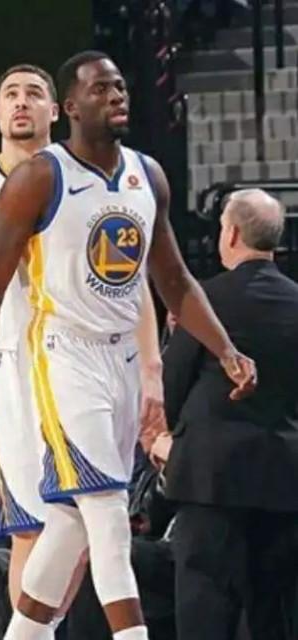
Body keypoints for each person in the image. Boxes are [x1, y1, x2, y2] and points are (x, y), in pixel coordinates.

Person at [0, 50, 256, 640]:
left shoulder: (148, 175)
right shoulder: (39, 178)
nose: (116, 96)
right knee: (107, 512)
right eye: (101, 89)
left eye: (120, 86)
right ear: (70, 106)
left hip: (120, 360)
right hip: (64, 356)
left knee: (70, 521)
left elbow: (174, 280)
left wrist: (225, 349)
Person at [0, 64, 165, 630]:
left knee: (79, 525)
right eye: (10, 94)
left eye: (34, 93)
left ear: (58, 109)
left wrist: (151, 367)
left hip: (91, 360)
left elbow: (131, 282)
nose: (21, 103)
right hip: (12, 370)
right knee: (36, 528)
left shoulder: (92, 177)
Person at [162, 189, 298, 639]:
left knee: (205, 608)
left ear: (232, 234)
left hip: (209, 479)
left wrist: (173, 435)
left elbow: (174, 380)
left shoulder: (204, 301)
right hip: (282, 483)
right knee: (272, 616)